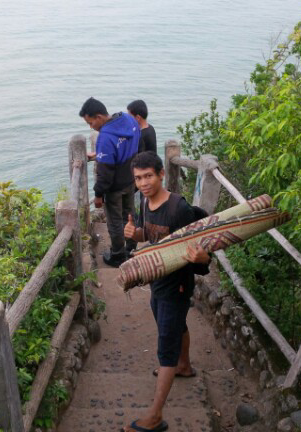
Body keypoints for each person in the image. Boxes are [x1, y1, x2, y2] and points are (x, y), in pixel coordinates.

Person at [123, 151, 210, 432]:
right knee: (172, 325)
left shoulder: (179, 210)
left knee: (165, 346)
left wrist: (203, 259)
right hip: (157, 282)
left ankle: (156, 415)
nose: (144, 183)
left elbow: (204, 251)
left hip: (177, 285)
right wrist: (133, 234)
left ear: (161, 174)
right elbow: (149, 235)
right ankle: (184, 365)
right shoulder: (144, 202)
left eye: (148, 176)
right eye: (138, 178)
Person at [79, 97, 140, 267]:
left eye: (90, 123)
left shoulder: (105, 137)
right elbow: (132, 144)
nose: (91, 127)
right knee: (129, 215)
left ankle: (118, 255)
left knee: (114, 221)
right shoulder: (129, 120)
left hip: (114, 187)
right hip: (132, 179)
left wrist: (98, 194)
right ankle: (132, 248)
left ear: (99, 117)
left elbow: (105, 173)